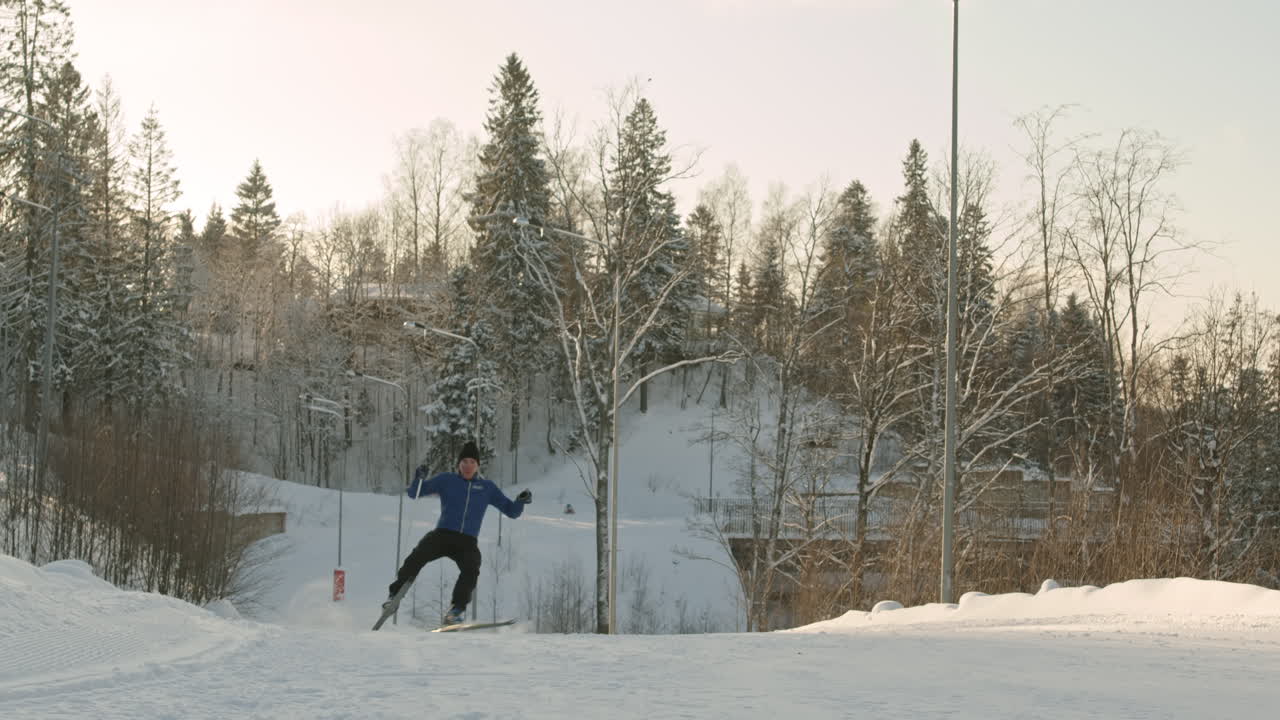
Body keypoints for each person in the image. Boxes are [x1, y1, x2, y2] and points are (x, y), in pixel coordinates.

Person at [384, 440, 531, 625]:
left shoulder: (487, 488)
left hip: (467, 541)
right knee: (417, 557)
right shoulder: (447, 480)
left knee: (471, 568)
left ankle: (456, 611)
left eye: (472, 462)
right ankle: (394, 596)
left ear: (478, 465)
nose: (468, 466)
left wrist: (520, 501)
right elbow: (415, 492)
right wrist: (419, 478)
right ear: (458, 465)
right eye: (464, 462)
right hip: (442, 535)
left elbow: (512, 512)